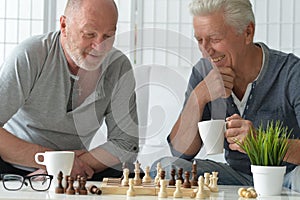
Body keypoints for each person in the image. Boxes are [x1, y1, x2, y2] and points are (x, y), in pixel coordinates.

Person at [151, 0, 300, 192]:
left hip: (287, 176)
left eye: (214, 39)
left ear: (247, 32)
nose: (206, 50)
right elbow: (180, 152)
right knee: (166, 168)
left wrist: (260, 142)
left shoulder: (291, 72)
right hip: (236, 177)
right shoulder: (203, 71)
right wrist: (199, 96)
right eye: (199, 40)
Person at [0, 0, 139, 180]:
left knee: (132, 175)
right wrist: (53, 162)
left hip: (80, 168)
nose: (99, 47)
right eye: (89, 34)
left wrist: (64, 167)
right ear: (64, 25)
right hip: (13, 166)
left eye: (108, 36)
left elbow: (127, 144)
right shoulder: (31, 55)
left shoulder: (118, 67)